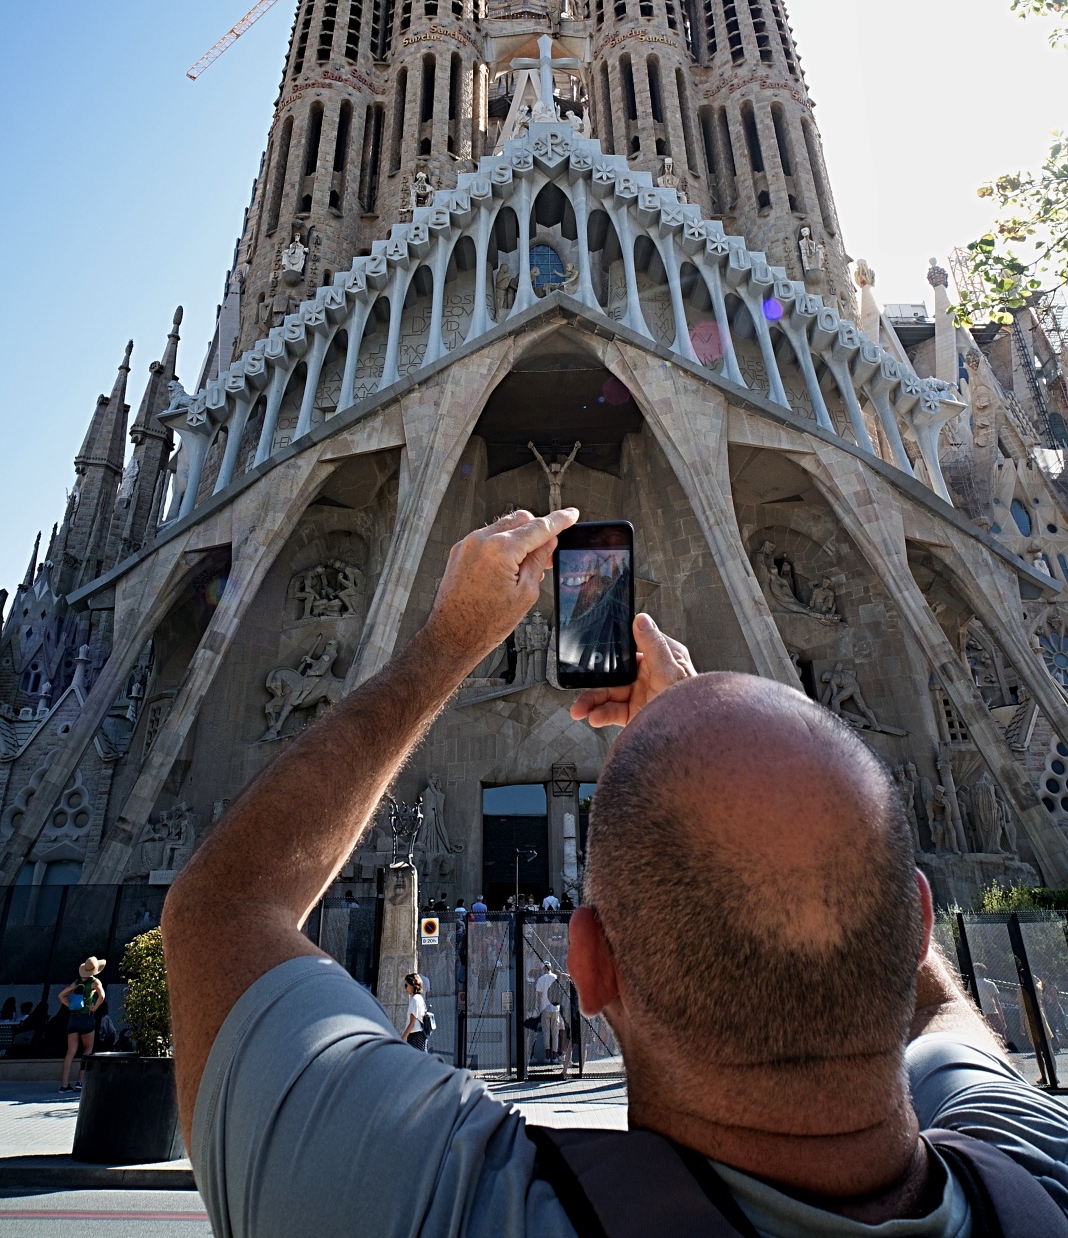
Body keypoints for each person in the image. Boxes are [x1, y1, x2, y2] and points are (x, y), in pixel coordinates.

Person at [162, 508, 1068, 1238]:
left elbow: (220, 911)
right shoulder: (1036, 1166)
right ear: (916, 924)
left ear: (587, 967)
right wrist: (713, 751)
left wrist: (443, 648)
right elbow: (948, 1015)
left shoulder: (457, 1207)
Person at [58, 955, 105, 1091]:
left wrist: (70, 1005)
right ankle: (80, 1081)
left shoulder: (77, 982)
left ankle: (64, 1085)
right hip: (86, 1017)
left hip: (73, 1018)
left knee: (70, 1052)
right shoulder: (95, 982)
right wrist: (94, 1007)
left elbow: (61, 995)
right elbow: (101, 996)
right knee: (87, 1050)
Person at [533, 961, 558, 1062]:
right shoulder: (555, 977)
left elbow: (538, 995)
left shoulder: (540, 979)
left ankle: (547, 1057)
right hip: (555, 1008)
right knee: (555, 1033)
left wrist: (538, 1008)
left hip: (544, 1008)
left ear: (544, 968)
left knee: (546, 1033)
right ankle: (555, 1056)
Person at [399, 973, 428, 1052]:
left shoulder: (415, 1000)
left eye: (406, 985)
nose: (405, 988)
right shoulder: (419, 998)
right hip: (419, 1035)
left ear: (412, 985)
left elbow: (412, 1022)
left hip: (415, 1036)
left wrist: (402, 1039)